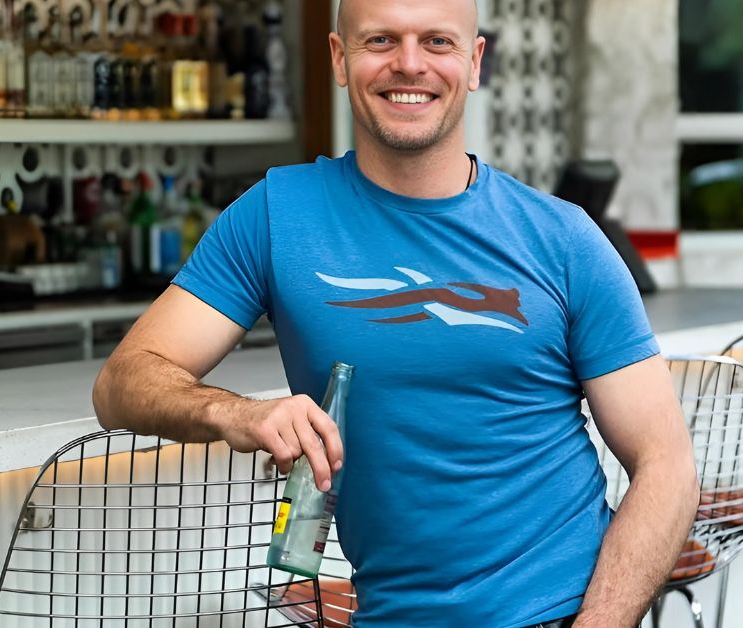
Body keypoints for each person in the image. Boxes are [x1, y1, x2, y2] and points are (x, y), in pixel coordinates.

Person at [92, 0, 699, 625]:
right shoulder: (277, 216)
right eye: (381, 40)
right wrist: (234, 412)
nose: (409, 65)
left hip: (557, 611)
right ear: (339, 57)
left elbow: (667, 465)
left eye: (437, 42)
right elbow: (123, 381)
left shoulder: (563, 239)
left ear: (474, 62)